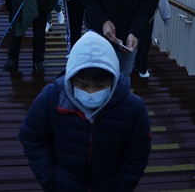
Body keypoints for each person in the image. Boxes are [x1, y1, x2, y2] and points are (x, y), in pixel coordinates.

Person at [19, 32, 152, 191]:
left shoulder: (133, 109)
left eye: (100, 86)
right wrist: (50, 178)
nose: (90, 92)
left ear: (113, 79)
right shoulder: (52, 98)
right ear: (71, 78)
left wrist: (121, 186)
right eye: (83, 85)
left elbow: (137, 152)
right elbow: (31, 136)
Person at [132, 0, 171, 79]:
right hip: (134, 11)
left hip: (146, 12)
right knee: (140, 39)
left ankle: (140, 66)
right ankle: (137, 66)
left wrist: (166, 16)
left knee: (144, 40)